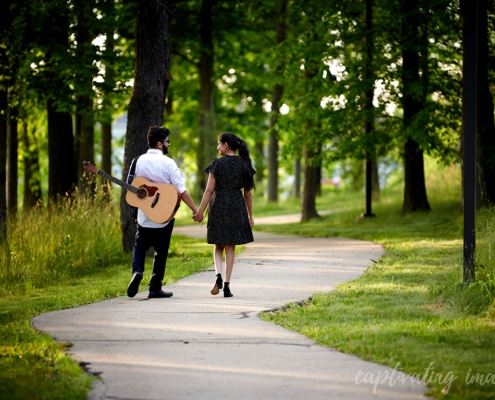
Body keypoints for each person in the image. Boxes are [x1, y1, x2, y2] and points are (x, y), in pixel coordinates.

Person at [127, 126, 198, 299]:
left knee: (140, 245)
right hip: (164, 216)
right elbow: (181, 191)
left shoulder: (137, 161)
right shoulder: (168, 163)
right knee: (161, 251)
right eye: (167, 141)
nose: (168, 144)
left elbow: (131, 187)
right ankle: (154, 287)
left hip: (145, 215)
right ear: (159, 144)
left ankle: (137, 271)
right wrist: (195, 210)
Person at [193, 132, 255, 297]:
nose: (217, 147)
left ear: (226, 145)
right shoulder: (244, 165)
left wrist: (200, 211)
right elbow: (247, 194)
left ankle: (218, 276)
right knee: (230, 246)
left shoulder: (216, 164)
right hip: (236, 205)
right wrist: (251, 216)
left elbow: (209, 191)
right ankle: (227, 285)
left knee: (218, 244)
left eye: (219, 143)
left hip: (219, 204)